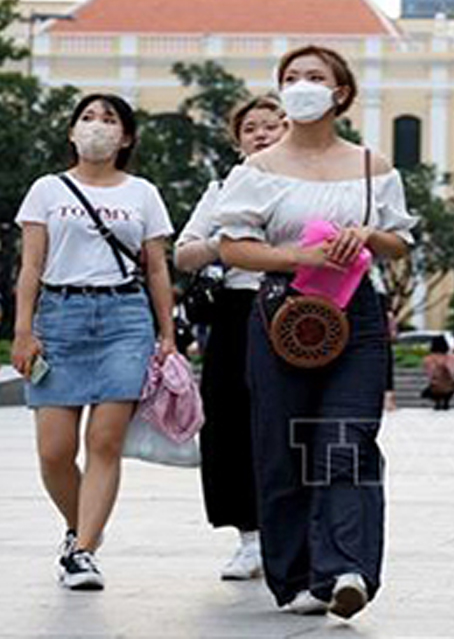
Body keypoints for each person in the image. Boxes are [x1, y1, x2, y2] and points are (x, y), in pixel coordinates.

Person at [214, 45, 416, 618]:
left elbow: (400, 240)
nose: (302, 85)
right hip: (282, 313)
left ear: (341, 93)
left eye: (315, 77)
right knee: (282, 446)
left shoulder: (374, 166)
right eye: (292, 77)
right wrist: (297, 255)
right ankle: (298, 576)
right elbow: (233, 246)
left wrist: (368, 237)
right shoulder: (256, 169)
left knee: (347, 439)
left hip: (357, 315)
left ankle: (347, 568)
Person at [11, 93, 177, 591]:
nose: (97, 126)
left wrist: (167, 333)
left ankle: (82, 551)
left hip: (125, 318)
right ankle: (79, 525)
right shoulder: (46, 189)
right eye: (88, 118)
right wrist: (23, 330)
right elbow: (32, 265)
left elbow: (156, 267)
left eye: (109, 120)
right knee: (54, 451)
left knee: (104, 443)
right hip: (59, 317)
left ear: (125, 137)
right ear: (71, 131)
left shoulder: (142, 193)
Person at [174, 95, 285, 581]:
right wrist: (227, 244)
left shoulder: (311, 185)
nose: (261, 135)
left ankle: (294, 531)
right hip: (238, 310)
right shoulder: (222, 190)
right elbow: (183, 253)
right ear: (237, 140)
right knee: (228, 422)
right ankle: (250, 537)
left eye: (270, 126)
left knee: (289, 422)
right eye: (250, 129)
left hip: (298, 310)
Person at [421, 335, 454, 410]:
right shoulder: (451, 358)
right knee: (451, 384)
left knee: (433, 386)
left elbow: (430, 373)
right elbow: (453, 372)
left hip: (436, 385)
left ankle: (437, 402)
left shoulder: (428, 359)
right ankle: (446, 401)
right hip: (449, 385)